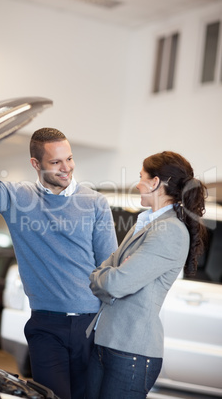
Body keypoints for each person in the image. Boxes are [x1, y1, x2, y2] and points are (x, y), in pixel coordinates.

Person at [0, 127, 118, 399]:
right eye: (56, 162)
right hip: (46, 326)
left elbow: (108, 267)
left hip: (90, 326)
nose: (66, 168)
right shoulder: (17, 197)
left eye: (69, 158)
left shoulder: (95, 202)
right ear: (35, 164)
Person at [85, 151, 207, 399]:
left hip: (130, 351)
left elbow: (117, 283)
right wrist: (109, 273)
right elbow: (102, 270)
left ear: (155, 182)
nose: (137, 183)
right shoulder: (146, 223)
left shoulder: (170, 231)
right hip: (106, 340)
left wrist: (109, 275)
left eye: (141, 177)